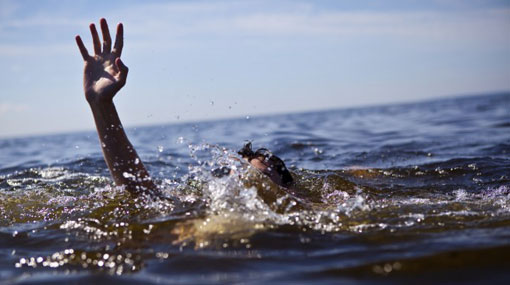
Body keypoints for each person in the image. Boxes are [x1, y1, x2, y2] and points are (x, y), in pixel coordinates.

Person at [75, 19, 293, 197]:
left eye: (261, 175)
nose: (247, 178)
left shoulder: (297, 211)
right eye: (242, 173)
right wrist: (101, 105)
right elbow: (141, 193)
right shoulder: (201, 207)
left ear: (286, 189)